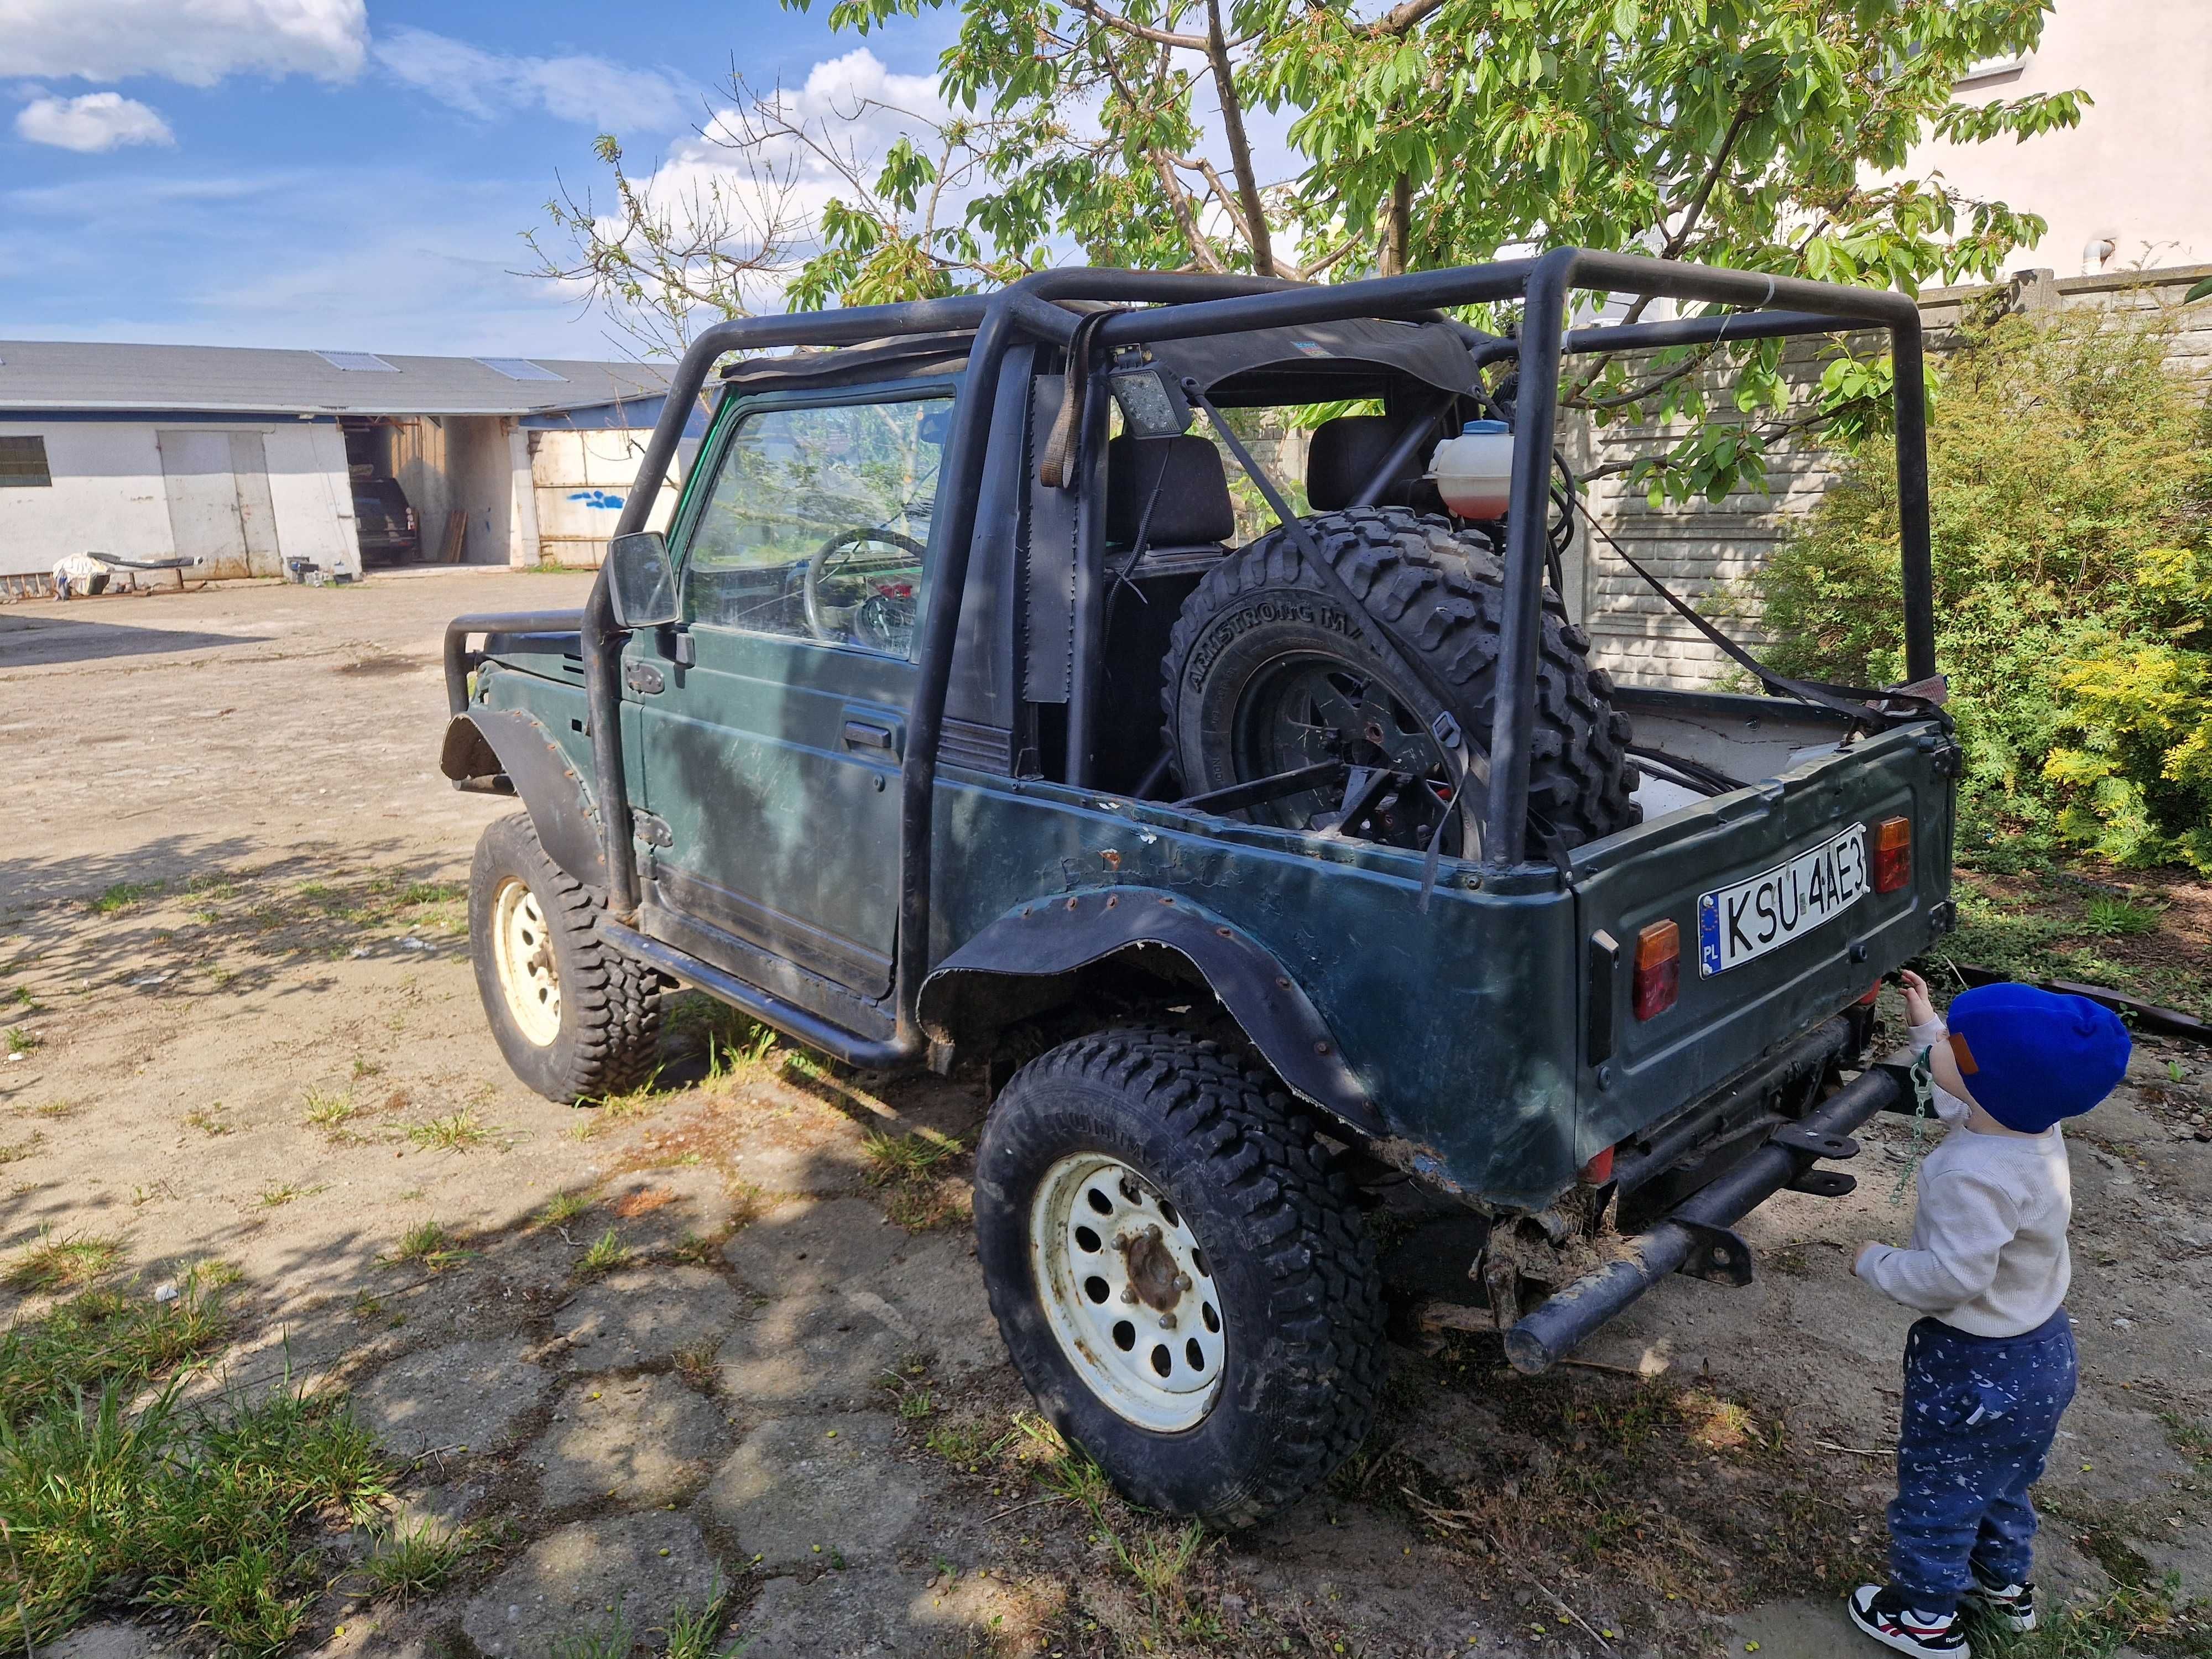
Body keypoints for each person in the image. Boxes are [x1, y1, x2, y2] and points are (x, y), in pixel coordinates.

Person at [1845, 969, 2131, 1657]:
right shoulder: (2030, 1127)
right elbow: (1964, 1092)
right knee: (2001, 1481)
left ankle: (1923, 1619)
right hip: (2043, 1351)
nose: (1942, 1042)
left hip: (1977, 1364)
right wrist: (1926, 1025)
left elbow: (1951, 1278)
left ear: (1981, 1073)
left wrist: (1876, 1262)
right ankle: (2004, 1590)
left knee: (1938, 1490)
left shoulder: (1969, 1176)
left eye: (1953, 1041)